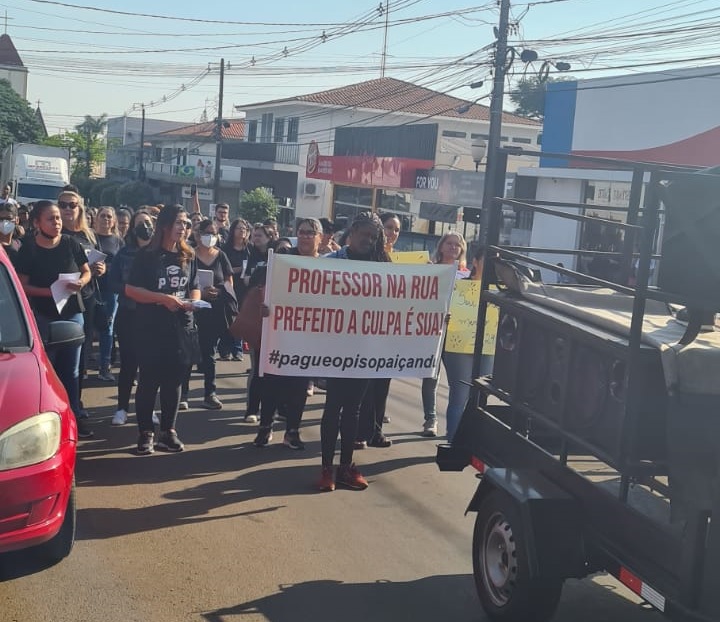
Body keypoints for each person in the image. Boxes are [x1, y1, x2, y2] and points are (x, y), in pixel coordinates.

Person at [317, 212, 391, 492]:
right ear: (353, 231)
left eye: (374, 237)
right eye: (365, 235)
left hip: (366, 348)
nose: (369, 241)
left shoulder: (383, 266)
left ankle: (345, 466)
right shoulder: (330, 264)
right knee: (333, 407)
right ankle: (326, 468)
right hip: (336, 346)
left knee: (354, 409)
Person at [125, 204, 200, 455]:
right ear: (166, 225)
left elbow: (194, 285)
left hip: (181, 328)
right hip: (151, 328)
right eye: (180, 222)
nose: (184, 228)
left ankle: (168, 431)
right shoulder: (147, 256)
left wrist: (193, 301)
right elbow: (131, 290)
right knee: (148, 381)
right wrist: (162, 298)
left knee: (174, 382)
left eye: (187, 224)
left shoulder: (189, 255)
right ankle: (145, 433)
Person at [15, 200, 93, 438]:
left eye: (58, 218)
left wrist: (81, 282)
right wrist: (49, 292)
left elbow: (86, 270)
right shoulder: (29, 249)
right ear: (37, 222)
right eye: (51, 218)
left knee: (71, 371)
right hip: (42, 316)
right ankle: (46, 418)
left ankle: (73, 416)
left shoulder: (71, 243)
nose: (57, 222)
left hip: (72, 314)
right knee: (46, 370)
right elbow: (22, 285)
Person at [253, 218, 323, 451]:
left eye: (310, 233)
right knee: (271, 382)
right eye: (302, 232)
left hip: (307, 337)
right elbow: (263, 287)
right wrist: (264, 304)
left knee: (299, 386)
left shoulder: (327, 267)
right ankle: (265, 427)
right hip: (279, 332)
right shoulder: (281, 260)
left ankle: (292, 431)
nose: (305, 236)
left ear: (319, 238)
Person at [355, 211, 403, 448]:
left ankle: (375, 431)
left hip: (384, 333)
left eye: (396, 229)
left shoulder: (392, 260)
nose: (391, 233)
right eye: (387, 227)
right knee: (362, 387)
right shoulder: (357, 256)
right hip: (358, 333)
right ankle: (357, 432)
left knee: (381, 385)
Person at [421, 231, 472, 440]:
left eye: (457, 245)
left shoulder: (467, 275)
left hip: (457, 334)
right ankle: (430, 419)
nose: (453, 248)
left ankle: (454, 425)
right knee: (430, 376)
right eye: (449, 244)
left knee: (456, 382)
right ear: (441, 246)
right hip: (432, 330)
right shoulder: (430, 269)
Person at [107, 210, 155, 426]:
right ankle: (122, 408)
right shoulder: (124, 254)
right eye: (140, 223)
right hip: (128, 314)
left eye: (148, 223)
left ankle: (148, 409)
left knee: (149, 367)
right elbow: (113, 282)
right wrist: (130, 290)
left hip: (153, 316)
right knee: (128, 365)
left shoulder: (160, 254)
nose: (144, 227)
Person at [58, 190, 105, 411]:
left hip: (85, 299)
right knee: (57, 356)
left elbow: (99, 263)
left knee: (80, 356)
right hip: (56, 301)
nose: (67, 209)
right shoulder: (53, 232)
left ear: (80, 209)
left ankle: (76, 403)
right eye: (63, 205)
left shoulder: (89, 236)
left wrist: (100, 269)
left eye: (72, 205)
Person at [182, 219, 234, 410]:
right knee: (188, 353)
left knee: (209, 353)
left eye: (214, 233)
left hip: (213, 312)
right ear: (198, 234)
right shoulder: (188, 255)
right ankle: (183, 394)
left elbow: (229, 280)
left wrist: (220, 291)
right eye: (207, 232)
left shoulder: (221, 256)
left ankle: (210, 393)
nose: (211, 237)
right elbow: (182, 282)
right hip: (191, 310)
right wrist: (199, 294)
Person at [243, 223, 273, 423]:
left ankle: (275, 409)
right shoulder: (250, 254)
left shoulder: (280, 253)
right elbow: (248, 282)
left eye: (260, 235)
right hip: (258, 316)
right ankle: (252, 409)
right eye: (254, 235)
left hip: (278, 319)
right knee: (257, 368)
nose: (256, 238)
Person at [93, 206, 125, 382]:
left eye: (109, 217)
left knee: (107, 329)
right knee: (88, 329)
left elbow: (123, 266)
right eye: (102, 216)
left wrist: (108, 269)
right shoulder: (90, 237)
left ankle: (105, 367)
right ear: (96, 218)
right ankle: (83, 365)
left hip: (110, 290)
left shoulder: (118, 241)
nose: (105, 219)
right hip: (89, 287)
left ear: (113, 221)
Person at [218, 218, 251, 361]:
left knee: (240, 319)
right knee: (228, 319)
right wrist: (236, 270)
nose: (242, 230)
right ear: (233, 230)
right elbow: (223, 269)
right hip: (229, 286)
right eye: (239, 228)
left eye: (244, 228)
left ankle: (238, 350)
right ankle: (225, 349)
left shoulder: (250, 249)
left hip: (245, 288)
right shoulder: (225, 249)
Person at [0, 201, 21, 267]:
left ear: (17, 220)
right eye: (1, 219)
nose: (4, 222)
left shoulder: (20, 246)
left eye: (8, 218)